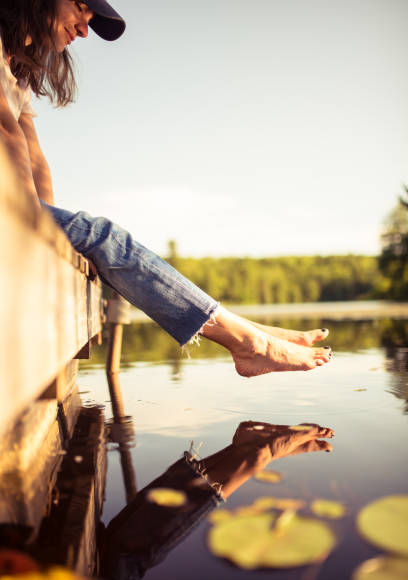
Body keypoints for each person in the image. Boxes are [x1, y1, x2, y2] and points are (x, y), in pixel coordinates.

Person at [0, 0, 333, 377]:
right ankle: (249, 343)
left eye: (90, 19)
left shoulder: (17, 74)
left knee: (91, 237)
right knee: (102, 235)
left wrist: (49, 227)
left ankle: (249, 332)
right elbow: (6, 135)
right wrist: (33, 216)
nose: (83, 30)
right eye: (80, 7)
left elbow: (33, 155)